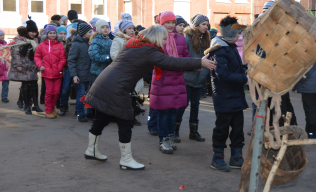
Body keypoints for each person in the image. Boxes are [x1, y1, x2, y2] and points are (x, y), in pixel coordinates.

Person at [83, 25, 216, 170]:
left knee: (101, 119)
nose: (165, 42)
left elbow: (168, 63)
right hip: (117, 87)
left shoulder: (136, 43)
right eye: (164, 38)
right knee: (126, 122)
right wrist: (199, 62)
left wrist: (192, 65)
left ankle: (92, 150)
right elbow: (170, 62)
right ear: (157, 37)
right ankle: (125, 160)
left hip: (105, 82)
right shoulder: (148, 50)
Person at [207, 15, 248, 172]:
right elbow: (222, 75)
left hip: (236, 95)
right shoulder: (219, 50)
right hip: (224, 96)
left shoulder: (230, 47)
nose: (239, 36)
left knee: (238, 128)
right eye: (237, 33)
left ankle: (236, 157)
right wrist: (245, 78)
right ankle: (217, 158)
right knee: (222, 128)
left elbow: (234, 69)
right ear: (229, 34)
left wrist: (245, 71)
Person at [150, 11, 190, 154]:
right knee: (163, 111)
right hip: (162, 79)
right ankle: (163, 140)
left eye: (173, 22)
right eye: (168, 22)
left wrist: (186, 65)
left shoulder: (181, 38)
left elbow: (186, 56)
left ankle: (170, 136)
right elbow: (154, 58)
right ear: (162, 24)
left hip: (177, 79)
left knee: (174, 110)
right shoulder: (156, 38)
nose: (171, 25)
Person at [174, 14, 210, 143]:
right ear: (196, 25)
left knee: (196, 105)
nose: (206, 27)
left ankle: (193, 132)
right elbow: (183, 59)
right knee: (182, 105)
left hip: (200, 79)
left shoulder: (206, 39)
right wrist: (192, 66)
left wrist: (205, 72)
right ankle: (175, 131)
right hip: (187, 78)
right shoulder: (187, 39)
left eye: (207, 25)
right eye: (203, 24)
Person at [7, 19, 43, 114]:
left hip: (33, 66)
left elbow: (39, 53)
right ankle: (27, 106)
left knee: (35, 85)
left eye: (35, 32)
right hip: (23, 66)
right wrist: (18, 64)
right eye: (32, 32)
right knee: (26, 85)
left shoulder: (36, 40)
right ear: (27, 31)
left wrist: (38, 63)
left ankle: (35, 105)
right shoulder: (19, 40)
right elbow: (15, 53)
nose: (34, 34)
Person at [34, 25, 67, 119]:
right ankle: (48, 110)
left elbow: (63, 58)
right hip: (46, 73)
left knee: (56, 92)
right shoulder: (41, 45)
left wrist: (59, 67)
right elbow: (37, 57)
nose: (52, 35)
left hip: (58, 73)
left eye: (54, 33)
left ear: (56, 34)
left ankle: (52, 108)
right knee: (49, 92)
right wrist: (40, 65)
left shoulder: (60, 45)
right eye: (50, 33)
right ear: (47, 34)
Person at [296, 51, 316, 138]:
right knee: (312, 109)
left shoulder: (310, 53)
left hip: (307, 84)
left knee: (309, 109)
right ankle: (310, 132)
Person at [68, 22, 93, 122]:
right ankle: (80, 113)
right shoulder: (77, 44)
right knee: (81, 94)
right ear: (84, 33)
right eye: (90, 32)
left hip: (90, 74)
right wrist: (74, 75)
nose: (92, 33)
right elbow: (71, 60)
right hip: (81, 75)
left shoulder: (90, 43)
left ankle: (90, 112)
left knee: (90, 94)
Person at [88, 20, 113, 118]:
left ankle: (105, 114)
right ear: (98, 29)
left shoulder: (111, 41)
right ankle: (95, 115)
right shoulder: (95, 41)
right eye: (103, 27)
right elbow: (95, 56)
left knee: (106, 95)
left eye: (107, 27)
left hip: (108, 72)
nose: (105, 29)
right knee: (97, 95)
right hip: (97, 72)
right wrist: (109, 57)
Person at [0, 29, 10, 103]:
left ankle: (4, 97)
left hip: (5, 68)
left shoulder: (6, 45)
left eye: (3, 35)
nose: (2, 36)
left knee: (6, 84)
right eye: (1, 35)